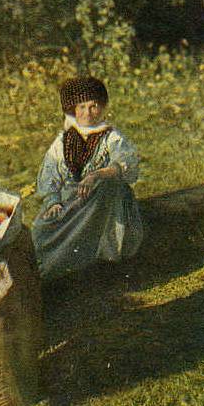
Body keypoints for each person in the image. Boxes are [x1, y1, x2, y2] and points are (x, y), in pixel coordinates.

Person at [31, 75, 144, 281]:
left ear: (103, 107)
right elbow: (50, 174)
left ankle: (104, 264)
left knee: (108, 192)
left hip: (105, 198)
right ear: (73, 109)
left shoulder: (111, 137)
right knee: (42, 228)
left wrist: (96, 175)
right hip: (71, 197)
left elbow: (124, 164)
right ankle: (58, 272)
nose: (88, 113)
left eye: (93, 106)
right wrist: (53, 200)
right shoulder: (63, 140)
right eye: (81, 107)